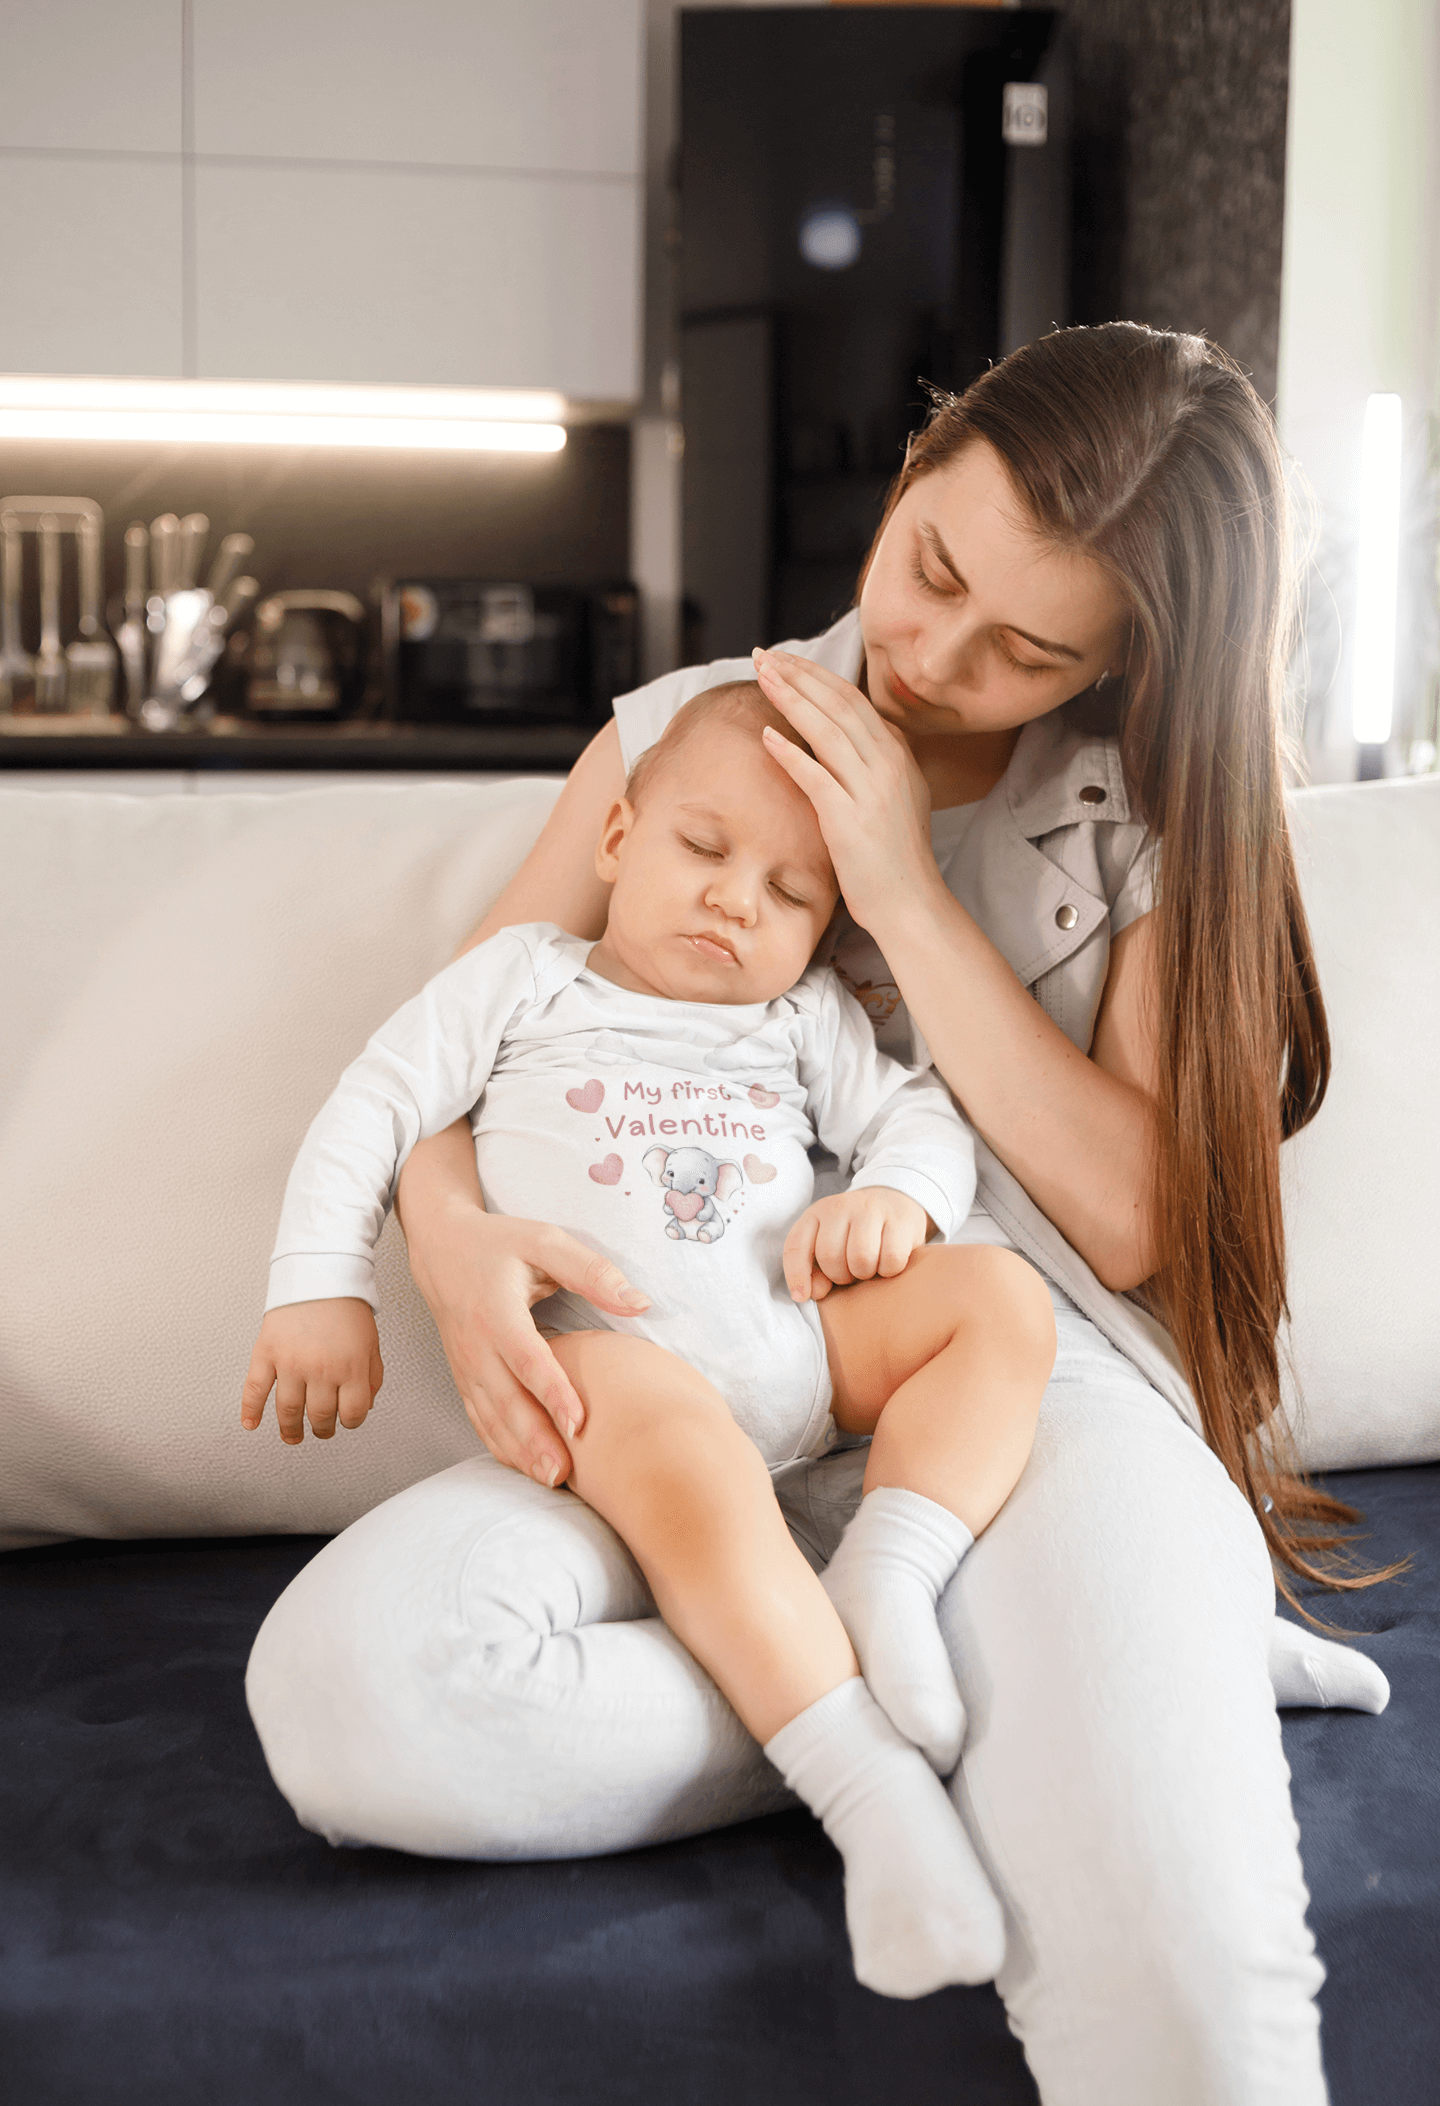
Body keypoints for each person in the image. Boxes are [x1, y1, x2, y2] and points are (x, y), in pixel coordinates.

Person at [245, 324, 1392, 2104]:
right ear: (917, 465)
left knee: (1185, 1965)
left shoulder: (1145, 812)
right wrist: (451, 1237)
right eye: (933, 566)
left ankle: (1064, 1676)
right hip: (672, 1382)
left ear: (1124, 666)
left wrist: (897, 895)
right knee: (356, 1695)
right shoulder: (685, 737)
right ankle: (939, 1711)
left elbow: (1134, 1221)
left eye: (1028, 649)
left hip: (1006, 1393)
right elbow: (459, 1049)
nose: (932, 658)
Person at [242, 679, 1058, 1999]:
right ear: (618, 841)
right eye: (705, 848)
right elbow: (377, 1103)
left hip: (798, 1337)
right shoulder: (523, 979)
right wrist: (317, 1283)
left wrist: (892, 1202)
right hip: (612, 1355)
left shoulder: (803, 1021)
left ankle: (894, 1570)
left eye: (794, 894)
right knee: (695, 1462)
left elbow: (921, 1117)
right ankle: (871, 1793)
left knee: (998, 1302)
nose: (741, 900)